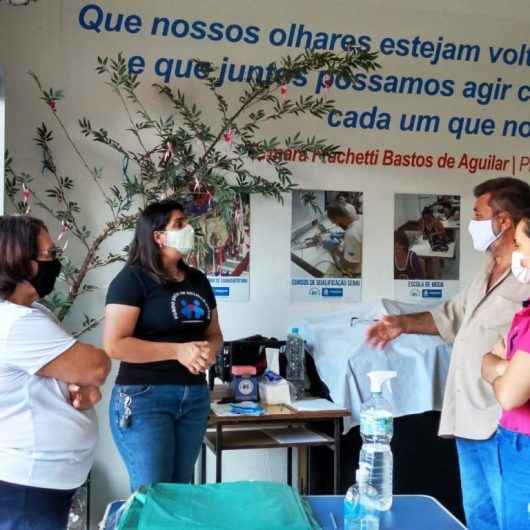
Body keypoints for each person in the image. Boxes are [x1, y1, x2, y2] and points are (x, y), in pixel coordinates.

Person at [366, 177, 530, 530]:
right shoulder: (488, 267)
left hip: (503, 426)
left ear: (503, 222)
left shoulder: (526, 277)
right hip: (467, 418)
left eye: (477, 214)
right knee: (480, 519)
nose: (470, 224)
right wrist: (401, 324)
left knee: (511, 521)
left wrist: (496, 366)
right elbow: (453, 316)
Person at [104, 200, 223, 492]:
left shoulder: (198, 280)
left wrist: (209, 350)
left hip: (194, 397)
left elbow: (215, 333)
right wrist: (177, 351)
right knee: (153, 493)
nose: (189, 229)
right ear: (157, 236)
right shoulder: (131, 279)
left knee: (179, 492)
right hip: (145, 397)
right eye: (179, 224)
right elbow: (115, 345)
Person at [0, 215, 110, 530]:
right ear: (19, 262)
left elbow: (74, 375)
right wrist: (83, 379)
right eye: (49, 255)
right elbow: (96, 366)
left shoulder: (32, 312)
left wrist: (78, 386)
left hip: (38, 483)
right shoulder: (16, 323)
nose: (56, 263)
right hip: (27, 487)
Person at [482, 214, 530, 530]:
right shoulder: (525, 314)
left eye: (523, 245)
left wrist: (502, 372)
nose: (520, 257)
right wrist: (507, 368)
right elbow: (487, 359)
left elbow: (510, 395)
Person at [324, 202, 363, 276]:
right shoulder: (361, 218)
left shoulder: (351, 234)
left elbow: (352, 265)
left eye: (335, 222)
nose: (336, 225)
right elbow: (359, 235)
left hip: (357, 271)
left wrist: (334, 250)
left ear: (338, 218)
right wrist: (343, 235)